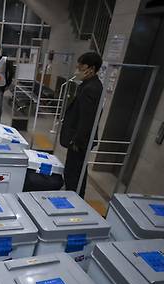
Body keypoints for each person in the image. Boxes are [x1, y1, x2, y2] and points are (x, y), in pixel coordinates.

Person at [59, 52, 103, 197]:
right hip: (79, 139)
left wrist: (76, 141)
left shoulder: (91, 88)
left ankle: (74, 199)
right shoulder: (89, 85)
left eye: (81, 66)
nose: (77, 69)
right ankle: (75, 196)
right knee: (77, 171)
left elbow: (87, 119)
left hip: (80, 141)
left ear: (91, 68)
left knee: (73, 172)